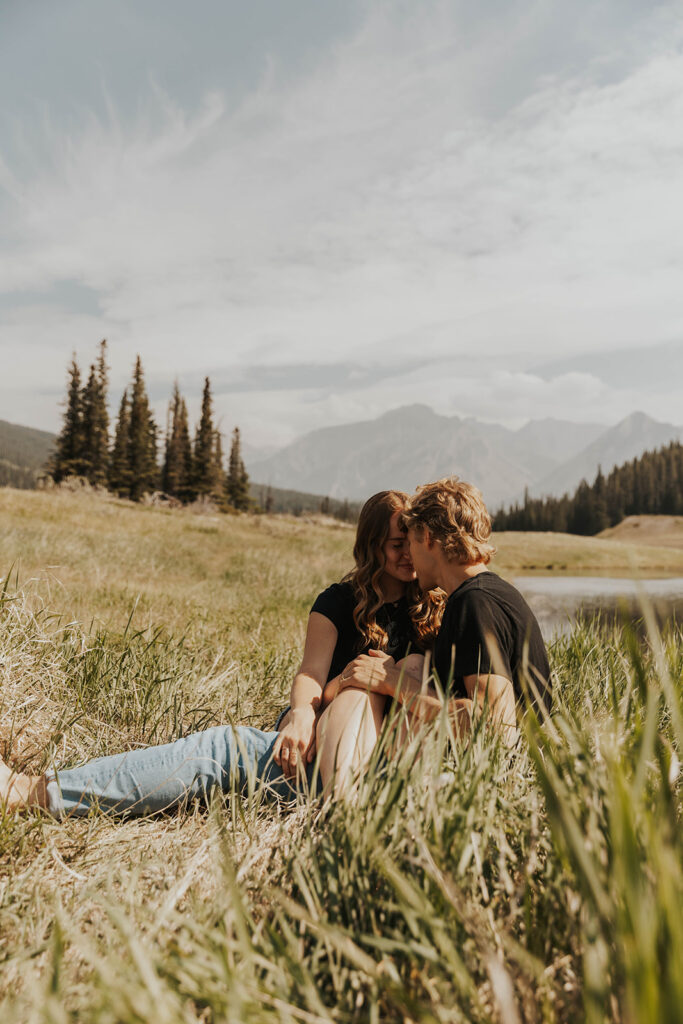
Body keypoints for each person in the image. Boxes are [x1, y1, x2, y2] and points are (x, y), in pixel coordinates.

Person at [0, 491, 443, 816]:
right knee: (216, 753)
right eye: (394, 543)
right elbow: (310, 673)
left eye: (411, 541)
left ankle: (34, 792)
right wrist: (303, 713)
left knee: (219, 749)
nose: (406, 554)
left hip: (375, 755)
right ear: (372, 545)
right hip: (321, 735)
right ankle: (40, 792)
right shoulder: (338, 601)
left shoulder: (431, 607)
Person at [333, 477, 551, 747]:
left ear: (425, 537)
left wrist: (393, 682)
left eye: (410, 541)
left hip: (493, 782)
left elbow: (495, 727)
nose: (409, 556)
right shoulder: (494, 594)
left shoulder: (474, 604)